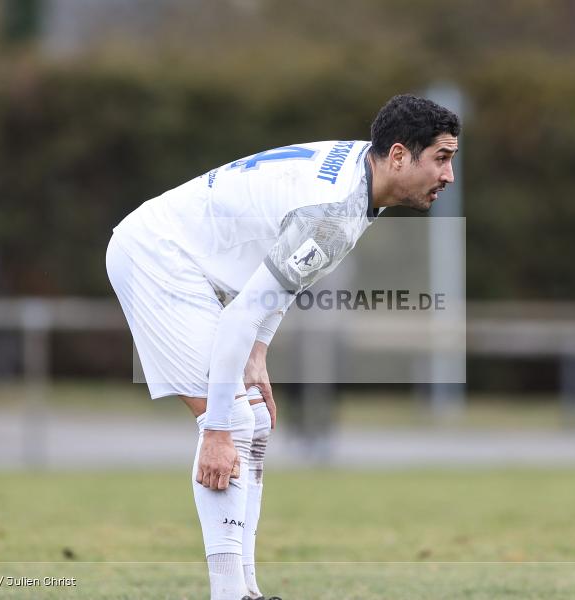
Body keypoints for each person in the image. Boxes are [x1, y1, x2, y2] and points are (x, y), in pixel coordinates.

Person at [106, 94, 460, 600]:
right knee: (231, 420)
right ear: (400, 155)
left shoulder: (365, 175)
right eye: (441, 158)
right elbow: (242, 314)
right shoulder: (334, 212)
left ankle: (246, 590)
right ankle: (229, 595)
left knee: (254, 417)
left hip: (188, 259)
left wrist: (257, 354)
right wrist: (216, 429)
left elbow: (284, 273)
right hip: (158, 256)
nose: (449, 175)